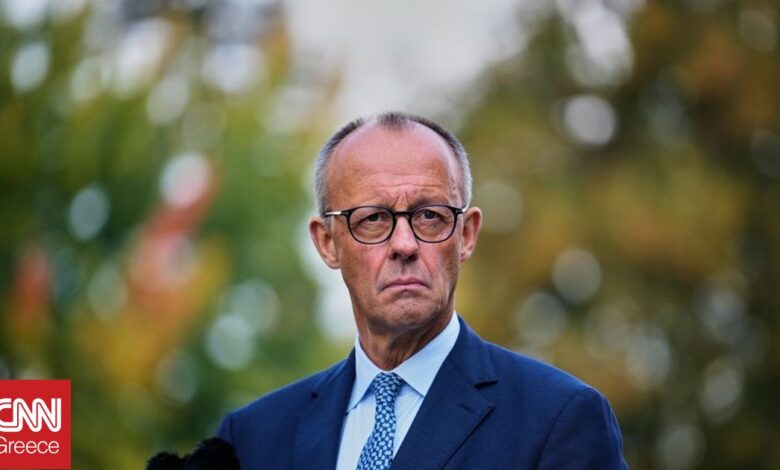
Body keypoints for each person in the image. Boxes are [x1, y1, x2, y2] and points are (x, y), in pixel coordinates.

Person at [216, 112, 627, 469]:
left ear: (466, 235)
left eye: (429, 216)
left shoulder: (557, 420)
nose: (405, 244)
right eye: (373, 218)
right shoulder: (251, 439)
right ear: (327, 243)